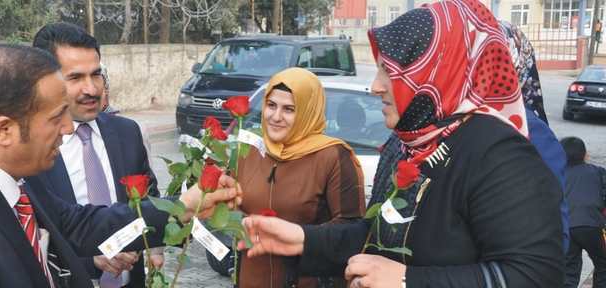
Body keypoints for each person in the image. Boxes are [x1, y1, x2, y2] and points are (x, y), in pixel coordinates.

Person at [240, 0, 563, 287]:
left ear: (436, 70)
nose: (375, 87)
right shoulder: (414, 143)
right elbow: (383, 233)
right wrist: (303, 240)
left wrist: (408, 280)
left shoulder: (500, 156)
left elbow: (535, 274)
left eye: (389, 72)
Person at [0, 44, 239, 288]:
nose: (69, 128)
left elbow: (79, 226)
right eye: (57, 118)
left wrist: (185, 207)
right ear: (4, 129)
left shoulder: (7, 174)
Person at [31, 22, 161, 288]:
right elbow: (33, 238)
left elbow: (148, 200)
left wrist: (144, 244)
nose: (91, 89)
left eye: (96, 74)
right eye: (75, 78)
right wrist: (91, 261)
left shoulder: (127, 133)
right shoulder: (31, 150)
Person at [237, 67, 365, 288]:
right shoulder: (250, 150)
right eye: (271, 105)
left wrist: (303, 237)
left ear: (308, 112)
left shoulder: (333, 156)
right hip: (252, 277)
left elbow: (351, 231)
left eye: (289, 109)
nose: (276, 117)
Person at [561, 137, 606, 288]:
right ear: (585, 154)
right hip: (592, 225)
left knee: (569, 270)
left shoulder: (559, 175)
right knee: (602, 264)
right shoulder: (598, 172)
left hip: (567, 227)